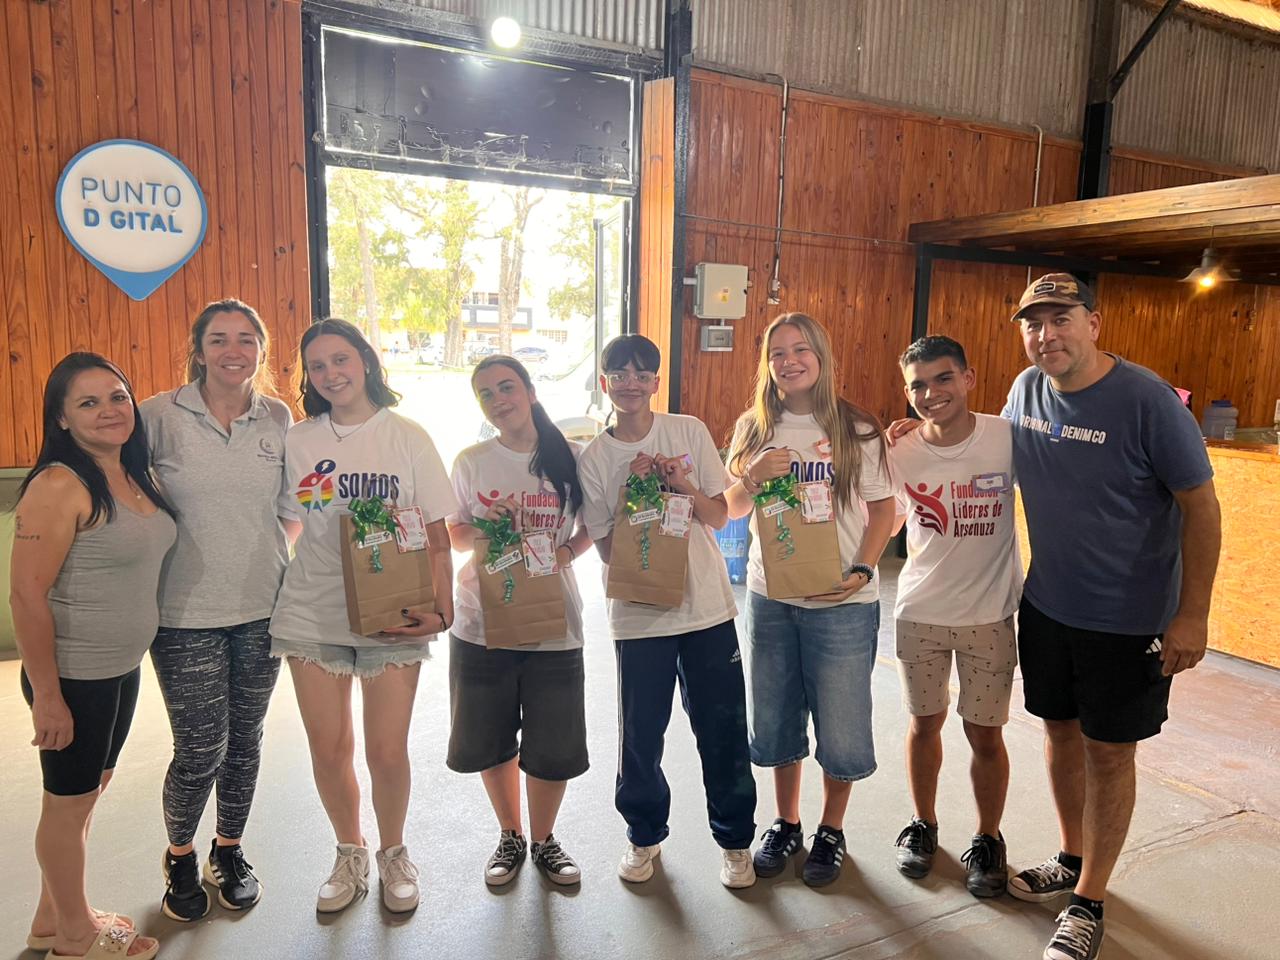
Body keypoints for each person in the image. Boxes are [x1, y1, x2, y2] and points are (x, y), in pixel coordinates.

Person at [889, 274, 1221, 960]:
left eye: (1061, 319)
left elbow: (1202, 507)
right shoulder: (1025, 391)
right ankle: (1073, 857)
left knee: (1110, 752)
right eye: (1033, 324)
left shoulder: (1149, 401)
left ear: (1093, 322)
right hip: (1045, 605)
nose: (1047, 335)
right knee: (1060, 734)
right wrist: (918, 429)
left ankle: (1089, 901)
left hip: (1128, 619)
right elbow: (973, 443)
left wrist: (1193, 615)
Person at [268, 318, 457, 915]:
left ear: (366, 362)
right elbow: (292, 523)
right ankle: (349, 852)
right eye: (317, 365)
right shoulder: (300, 440)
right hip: (312, 611)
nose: (331, 374)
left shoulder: (407, 436)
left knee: (386, 751)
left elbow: (437, 537)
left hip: (391, 612)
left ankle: (394, 853)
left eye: (341, 359)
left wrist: (442, 609)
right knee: (329, 750)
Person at [577, 334, 757, 889]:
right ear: (605, 383)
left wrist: (679, 484)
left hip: (706, 610)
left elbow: (719, 516)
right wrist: (637, 494)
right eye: (619, 374)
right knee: (640, 737)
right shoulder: (595, 458)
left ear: (656, 382)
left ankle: (735, 841)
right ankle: (643, 835)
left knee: (723, 731)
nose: (630, 383)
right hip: (638, 618)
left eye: (641, 374)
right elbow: (608, 551)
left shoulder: (688, 431)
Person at [12, 353, 175, 960]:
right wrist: (47, 696)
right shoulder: (61, 484)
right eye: (88, 402)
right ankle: (76, 938)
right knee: (67, 805)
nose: (109, 410)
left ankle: (51, 918)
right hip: (75, 675)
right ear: (61, 417)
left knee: (88, 792)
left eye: (117, 396)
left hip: (118, 668)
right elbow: (26, 596)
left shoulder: (130, 472)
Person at [724, 312, 896, 888]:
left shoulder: (855, 428)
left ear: (821, 356)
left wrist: (863, 569)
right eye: (777, 353)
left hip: (842, 601)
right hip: (771, 598)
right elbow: (731, 509)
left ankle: (831, 829)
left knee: (842, 727)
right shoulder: (754, 427)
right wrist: (752, 475)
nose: (789, 361)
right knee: (775, 718)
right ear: (766, 364)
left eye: (800, 349)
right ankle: (787, 821)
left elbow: (883, 509)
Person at [140, 299, 293, 921]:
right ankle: (180, 855)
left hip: (262, 609)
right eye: (220, 339)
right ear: (198, 350)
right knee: (201, 746)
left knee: (245, 741)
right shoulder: (157, 415)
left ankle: (227, 850)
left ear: (261, 350)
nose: (234, 350)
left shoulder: (277, 416)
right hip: (182, 612)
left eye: (246, 339)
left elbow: (292, 508)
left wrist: (268, 560)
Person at [447, 356, 593, 887]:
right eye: (485, 394)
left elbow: (595, 525)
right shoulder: (471, 460)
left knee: (553, 743)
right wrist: (485, 526)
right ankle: (509, 834)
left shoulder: (572, 457)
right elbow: (453, 534)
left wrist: (566, 554)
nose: (498, 400)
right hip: (481, 620)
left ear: (531, 391)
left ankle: (544, 839)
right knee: (491, 737)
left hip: (554, 622)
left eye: (506, 387)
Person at [886, 335, 1021, 898]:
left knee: (985, 734)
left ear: (968, 378)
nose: (930, 393)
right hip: (920, 612)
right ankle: (923, 824)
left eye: (943, 378)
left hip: (989, 615)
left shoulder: (1006, 438)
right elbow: (881, 518)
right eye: (917, 385)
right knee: (925, 724)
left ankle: (988, 838)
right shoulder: (898, 451)